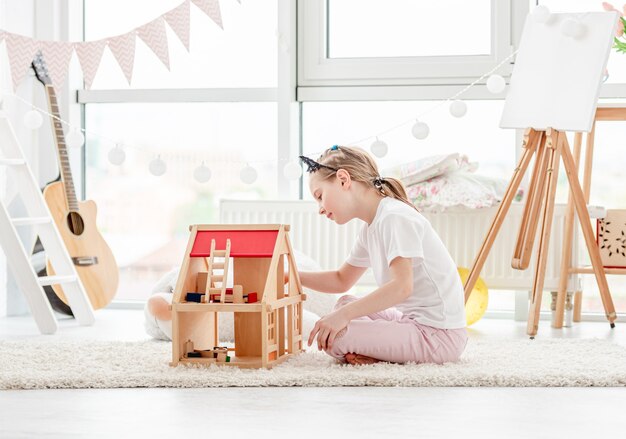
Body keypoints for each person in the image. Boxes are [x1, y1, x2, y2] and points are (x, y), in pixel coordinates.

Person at [298, 145, 467, 366]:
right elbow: (342, 280)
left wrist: (344, 317)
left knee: (337, 337)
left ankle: (379, 355)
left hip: (438, 335)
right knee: (344, 303)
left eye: (320, 196)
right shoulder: (372, 226)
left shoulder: (394, 217)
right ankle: (381, 351)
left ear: (343, 179)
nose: (320, 208)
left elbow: (402, 287)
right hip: (413, 322)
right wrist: (292, 275)